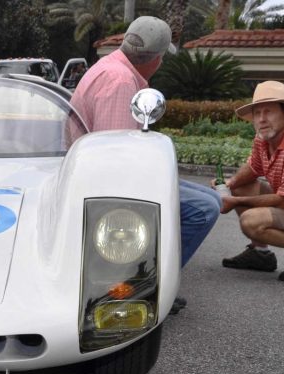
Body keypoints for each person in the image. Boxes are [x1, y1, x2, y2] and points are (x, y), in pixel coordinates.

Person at [70, 16, 222, 314]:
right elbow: (115, 161)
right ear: (155, 58)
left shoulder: (113, 68)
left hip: (97, 170)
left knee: (212, 198)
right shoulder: (121, 82)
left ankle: (155, 275)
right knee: (204, 210)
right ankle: (142, 285)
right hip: (102, 181)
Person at [217, 81, 284, 282]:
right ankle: (260, 254)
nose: (261, 119)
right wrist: (230, 183)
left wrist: (235, 202)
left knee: (250, 221)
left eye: (269, 112)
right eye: (257, 113)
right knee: (240, 185)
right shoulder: (263, 137)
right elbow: (254, 168)